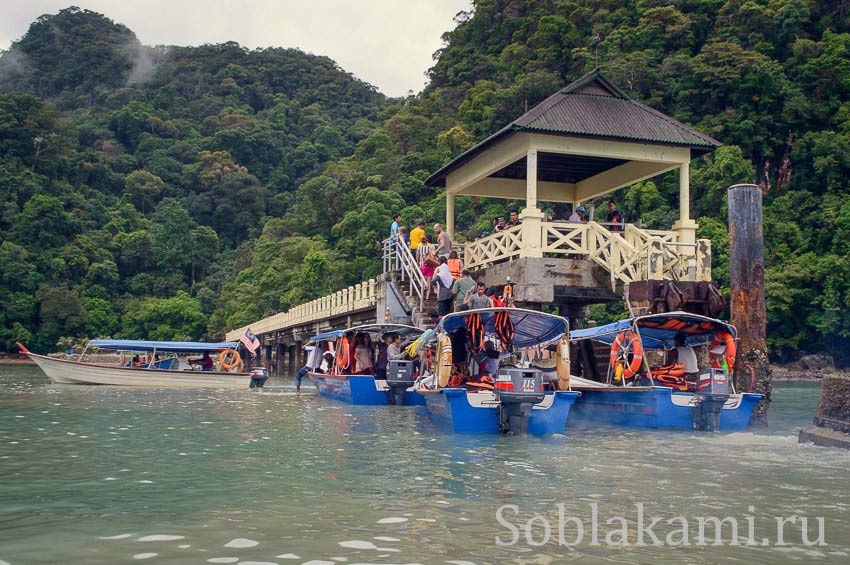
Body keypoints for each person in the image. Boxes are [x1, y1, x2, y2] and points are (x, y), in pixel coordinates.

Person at [417, 235, 436, 300]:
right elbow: (434, 256)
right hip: (430, 266)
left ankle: (423, 292)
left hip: (422, 265)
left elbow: (417, 254)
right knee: (428, 281)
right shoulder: (431, 246)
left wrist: (417, 262)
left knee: (422, 280)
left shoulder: (419, 245)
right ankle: (427, 297)